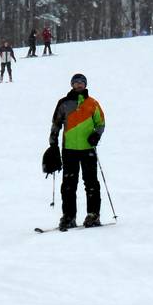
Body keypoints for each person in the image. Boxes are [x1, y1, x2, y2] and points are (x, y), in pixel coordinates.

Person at [43, 73, 106, 231]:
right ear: (72, 85)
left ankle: (93, 215)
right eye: (76, 82)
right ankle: (69, 217)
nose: (79, 84)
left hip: (88, 150)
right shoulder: (64, 103)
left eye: (81, 82)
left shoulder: (92, 103)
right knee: (68, 185)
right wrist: (53, 144)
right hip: (69, 150)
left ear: (85, 85)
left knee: (91, 183)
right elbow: (56, 124)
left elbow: (100, 123)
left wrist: (96, 135)